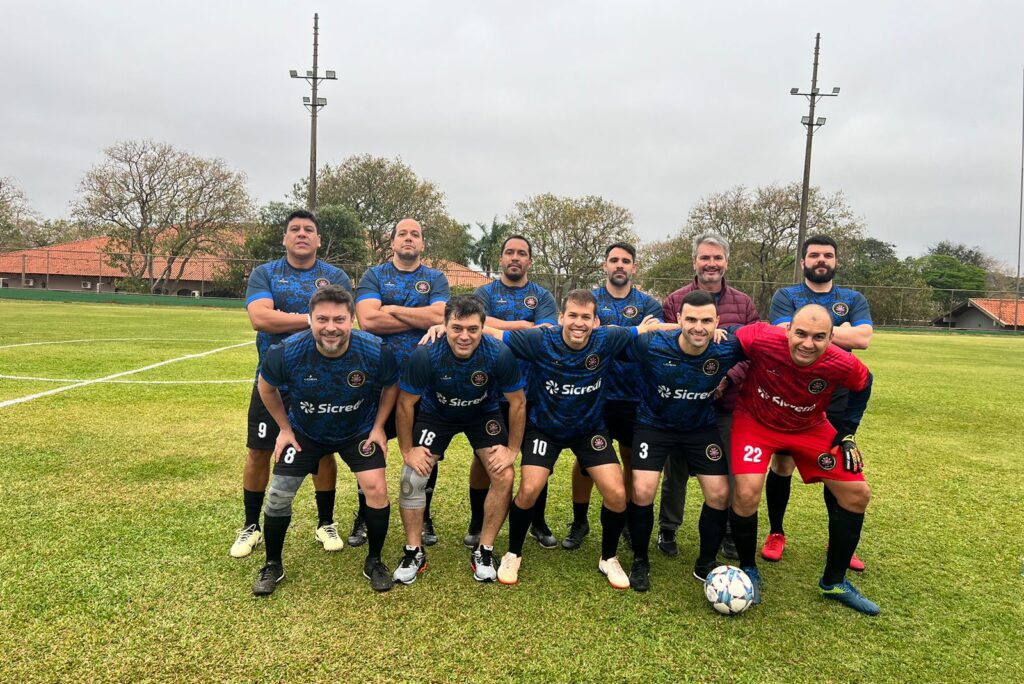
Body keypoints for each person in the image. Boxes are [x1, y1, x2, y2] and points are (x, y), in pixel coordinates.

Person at [490, 290, 658, 589]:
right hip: (544, 429)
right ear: (561, 318)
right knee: (529, 488)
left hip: (589, 430)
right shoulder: (541, 339)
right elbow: (492, 335)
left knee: (618, 494)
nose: (578, 323)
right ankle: (513, 553)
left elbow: (645, 330)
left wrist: (678, 326)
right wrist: (444, 324)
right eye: (572, 316)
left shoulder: (607, 338)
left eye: (585, 317)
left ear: (595, 321)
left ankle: (609, 558)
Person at [728, 305, 879, 615]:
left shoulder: (842, 362)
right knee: (746, 492)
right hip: (755, 422)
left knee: (857, 494)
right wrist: (723, 381)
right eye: (801, 334)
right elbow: (730, 345)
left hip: (809, 426)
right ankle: (748, 569)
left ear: (831, 338)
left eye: (819, 337)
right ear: (787, 331)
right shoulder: (761, 337)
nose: (808, 344)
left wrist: (848, 431)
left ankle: (834, 582)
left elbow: (864, 384)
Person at [251, 286, 399, 595]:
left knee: (376, 486)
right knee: (278, 493)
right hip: (305, 432)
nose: (330, 327)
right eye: (322, 319)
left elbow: (390, 386)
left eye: (339, 319)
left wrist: (379, 427)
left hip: (356, 430)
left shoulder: (375, 350)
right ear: (310, 319)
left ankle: (374, 561)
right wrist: (285, 429)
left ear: (351, 320)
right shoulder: (287, 351)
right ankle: (273, 564)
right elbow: (266, 388)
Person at [231, 209, 353, 559]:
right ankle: (251, 526)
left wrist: (290, 320)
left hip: (321, 380)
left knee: (323, 452)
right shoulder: (265, 273)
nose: (302, 234)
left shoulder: (334, 275)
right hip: (273, 378)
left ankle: (325, 523)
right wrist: (316, 320)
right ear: (285, 238)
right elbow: (259, 318)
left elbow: (342, 322)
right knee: (258, 450)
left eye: (309, 230)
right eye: (294, 229)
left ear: (318, 239)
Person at [393, 295, 527, 584]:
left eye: (472, 329)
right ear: (443, 325)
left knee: (503, 475)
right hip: (436, 414)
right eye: (456, 328)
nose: (464, 336)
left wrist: (513, 449)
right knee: (412, 476)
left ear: (483, 328)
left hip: (482, 413)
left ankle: (485, 549)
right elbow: (405, 404)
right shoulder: (426, 354)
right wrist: (407, 449)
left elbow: (517, 403)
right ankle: (414, 550)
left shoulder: (499, 353)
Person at [761, 235, 873, 569]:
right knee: (782, 465)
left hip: (835, 390)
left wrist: (810, 330)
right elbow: (783, 332)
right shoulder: (786, 295)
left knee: (834, 462)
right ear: (803, 261)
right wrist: (839, 331)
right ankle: (776, 532)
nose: (820, 260)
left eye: (827, 255)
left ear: (836, 261)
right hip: (792, 390)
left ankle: (837, 539)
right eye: (814, 255)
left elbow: (864, 338)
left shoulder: (852, 298)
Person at [622, 291, 743, 592]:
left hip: (699, 428)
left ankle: (705, 563)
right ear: (678, 320)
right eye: (690, 319)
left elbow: (765, 339)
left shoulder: (727, 347)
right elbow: (610, 342)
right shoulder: (651, 344)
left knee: (719, 493)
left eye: (706, 320)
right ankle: (640, 560)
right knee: (642, 488)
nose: (698, 327)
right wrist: (650, 327)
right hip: (654, 425)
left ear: (717, 321)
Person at [657, 233, 759, 558]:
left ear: (726, 261)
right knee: (677, 471)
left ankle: (728, 530)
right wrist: (697, 382)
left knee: (727, 471)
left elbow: (752, 353)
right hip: (683, 405)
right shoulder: (675, 301)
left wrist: (725, 379)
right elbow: (666, 350)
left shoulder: (743, 304)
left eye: (717, 258)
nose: (711, 264)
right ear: (695, 262)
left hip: (727, 406)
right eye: (705, 258)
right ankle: (668, 529)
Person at [353, 218, 449, 547]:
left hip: (424, 382)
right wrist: (417, 316)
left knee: (425, 452)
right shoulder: (374, 276)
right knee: (370, 446)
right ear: (392, 242)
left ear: (422, 244)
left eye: (415, 234)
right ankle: (364, 515)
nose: (409, 239)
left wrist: (391, 309)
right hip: (377, 379)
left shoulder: (435, 278)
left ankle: (423, 517)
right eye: (402, 234)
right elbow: (367, 320)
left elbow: (441, 317)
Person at [562, 242, 662, 551]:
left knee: (632, 458)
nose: (619, 265)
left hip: (636, 396)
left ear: (634, 267)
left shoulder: (649, 304)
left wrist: (612, 335)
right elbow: (586, 338)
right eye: (613, 260)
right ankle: (580, 522)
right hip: (597, 394)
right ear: (605, 265)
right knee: (585, 461)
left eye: (626, 261)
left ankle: (631, 521)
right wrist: (630, 332)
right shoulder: (591, 301)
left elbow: (647, 346)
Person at [469, 235, 558, 550]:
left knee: (537, 459)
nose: (515, 258)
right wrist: (523, 324)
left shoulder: (542, 296)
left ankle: (538, 520)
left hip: (533, 391)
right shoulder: (485, 292)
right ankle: (477, 522)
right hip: (489, 392)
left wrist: (499, 327)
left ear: (530, 261)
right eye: (510, 252)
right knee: (485, 460)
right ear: (501, 259)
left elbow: (546, 334)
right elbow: (474, 324)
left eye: (522, 253)